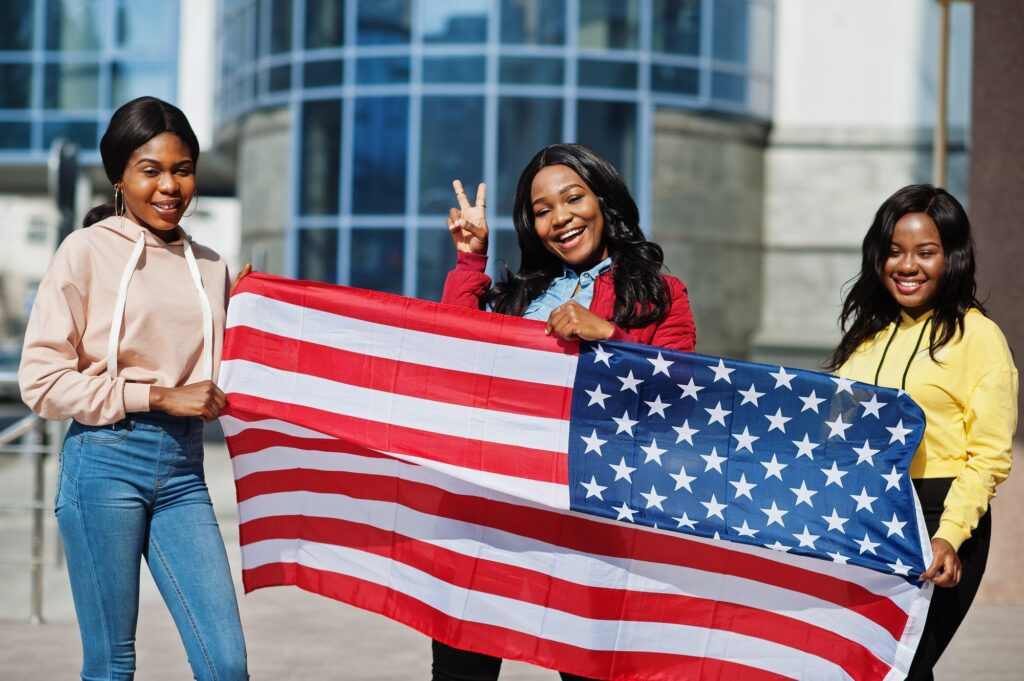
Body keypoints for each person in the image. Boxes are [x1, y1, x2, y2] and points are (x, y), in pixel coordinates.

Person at [437, 143, 696, 680]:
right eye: (542, 209)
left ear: (604, 201)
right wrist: (469, 260)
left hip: (588, 523)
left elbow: (680, 393)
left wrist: (610, 337)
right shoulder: (511, 298)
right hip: (492, 517)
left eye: (573, 198)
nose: (561, 218)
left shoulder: (661, 292)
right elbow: (453, 357)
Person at [19, 96, 250, 680]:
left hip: (183, 470)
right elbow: (41, 381)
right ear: (119, 176)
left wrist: (254, 313)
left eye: (183, 168)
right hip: (103, 461)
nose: (170, 186)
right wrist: (155, 394)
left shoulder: (213, 266)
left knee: (225, 665)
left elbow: (227, 373)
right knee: (112, 663)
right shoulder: (84, 251)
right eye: (151, 170)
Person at [829, 184, 1017, 681]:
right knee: (871, 669)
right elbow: (832, 434)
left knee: (901, 666)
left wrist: (949, 536)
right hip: (868, 518)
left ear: (951, 256)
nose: (906, 265)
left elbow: (989, 457)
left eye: (925, 252)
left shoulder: (979, 337)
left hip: (939, 517)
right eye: (894, 251)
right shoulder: (865, 337)